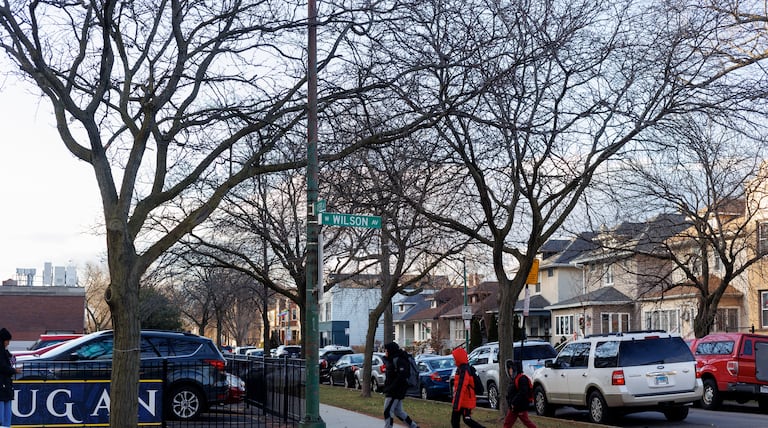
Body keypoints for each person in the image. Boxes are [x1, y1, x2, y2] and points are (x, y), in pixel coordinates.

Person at [382, 342, 419, 428]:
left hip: (395, 390)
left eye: (386, 350)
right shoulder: (392, 359)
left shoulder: (400, 360)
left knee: (387, 411)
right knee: (398, 412)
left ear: (391, 350)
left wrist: (391, 388)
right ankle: (414, 426)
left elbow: (402, 376)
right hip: (394, 389)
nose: (385, 352)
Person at [451, 347, 486, 428]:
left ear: (458, 358)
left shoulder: (464, 370)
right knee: (456, 420)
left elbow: (461, 388)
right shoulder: (461, 369)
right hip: (463, 400)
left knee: (466, 420)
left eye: (454, 358)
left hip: (466, 401)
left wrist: (456, 404)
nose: (454, 360)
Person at [504, 359, 537, 428]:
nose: (510, 371)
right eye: (509, 369)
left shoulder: (521, 379)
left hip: (519, 407)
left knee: (526, 422)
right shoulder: (514, 379)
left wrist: (514, 402)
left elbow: (523, 393)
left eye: (511, 369)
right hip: (514, 407)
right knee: (507, 423)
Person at [1, 328, 21, 428]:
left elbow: (11, 359)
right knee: (3, 414)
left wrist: (12, 359)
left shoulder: (4, 352)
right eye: (7, 341)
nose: (8, 343)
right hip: (2, 385)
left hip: (5, 385)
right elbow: (3, 367)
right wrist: (14, 370)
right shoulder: (1, 353)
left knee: (6, 410)